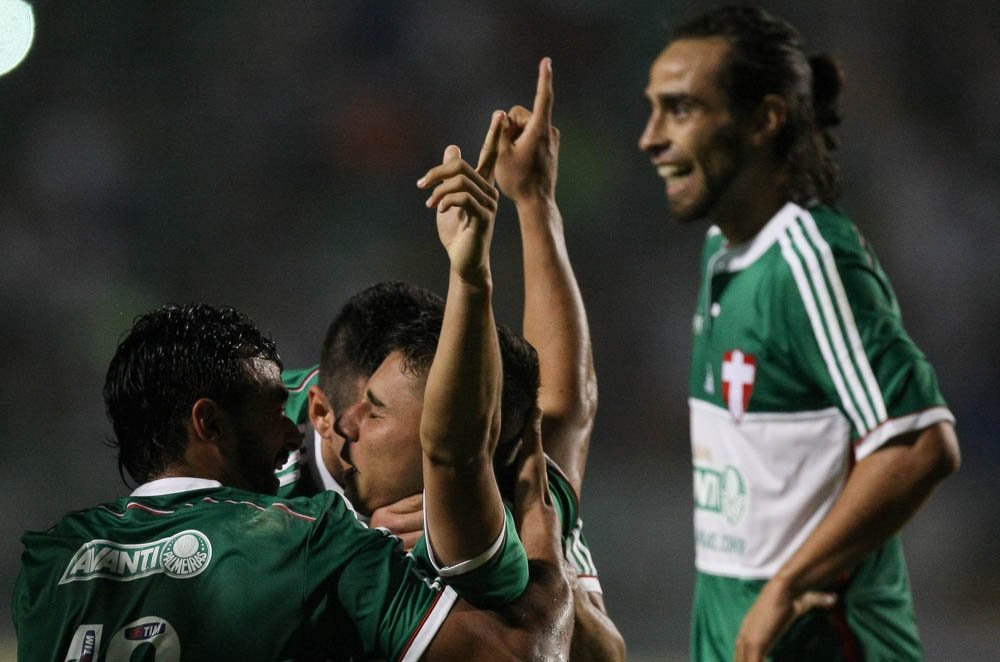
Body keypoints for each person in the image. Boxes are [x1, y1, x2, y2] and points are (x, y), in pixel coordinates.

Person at [13, 113, 573, 660]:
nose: (296, 430)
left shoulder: (49, 559)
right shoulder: (313, 542)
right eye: (275, 409)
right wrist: (549, 560)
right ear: (207, 423)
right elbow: (524, 652)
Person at [639, 5, 960, 661]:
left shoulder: (808, 260)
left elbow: (921, 442)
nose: (650, 136)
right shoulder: (723, 254)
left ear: (764, 118)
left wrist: (786, 587)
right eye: (653, 109)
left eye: (680, 109)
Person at [283, 59, 625, 660]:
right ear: (332, 419)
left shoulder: (501, 482)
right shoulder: (253, 442)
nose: (455, 456)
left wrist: (535, 201)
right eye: (438, 440)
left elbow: (602, 652)